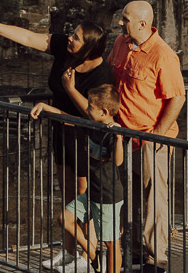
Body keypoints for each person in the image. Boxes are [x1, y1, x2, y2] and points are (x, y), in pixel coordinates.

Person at [0, 11, 111, 271]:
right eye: (72, 33)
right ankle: (68, 253)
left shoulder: (102, 75)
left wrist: (69, 89)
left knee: (83, 203)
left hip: (86, 140)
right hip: (62, 134)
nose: (69, 38)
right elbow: (28, 37)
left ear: (89, 47)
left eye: (76, 37)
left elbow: (92, 115)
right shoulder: (66, 49)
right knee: (67, 197)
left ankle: (88, 257)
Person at [109, 0, 186, 273]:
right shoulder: (120, 43)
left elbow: (177, 98)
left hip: (151, 139)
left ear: (142, 24)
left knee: (154, 198)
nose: (120, 23)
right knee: (127, 196)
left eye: (125, 18)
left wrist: (158, 135)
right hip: (124, 136)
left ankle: (156, 258)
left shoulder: (163, 55)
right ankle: (135, 250)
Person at [32, 85, 124, 273]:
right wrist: (44, 106)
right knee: (64, 219)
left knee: (111, 243)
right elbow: (66, 117)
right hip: (91, 192)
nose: (87, 109)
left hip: (108, 196)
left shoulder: (111, 133)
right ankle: (93, 255)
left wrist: (119, 138)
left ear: (104, 111)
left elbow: (118, 160)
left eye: (90, 106)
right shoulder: (91, 125)